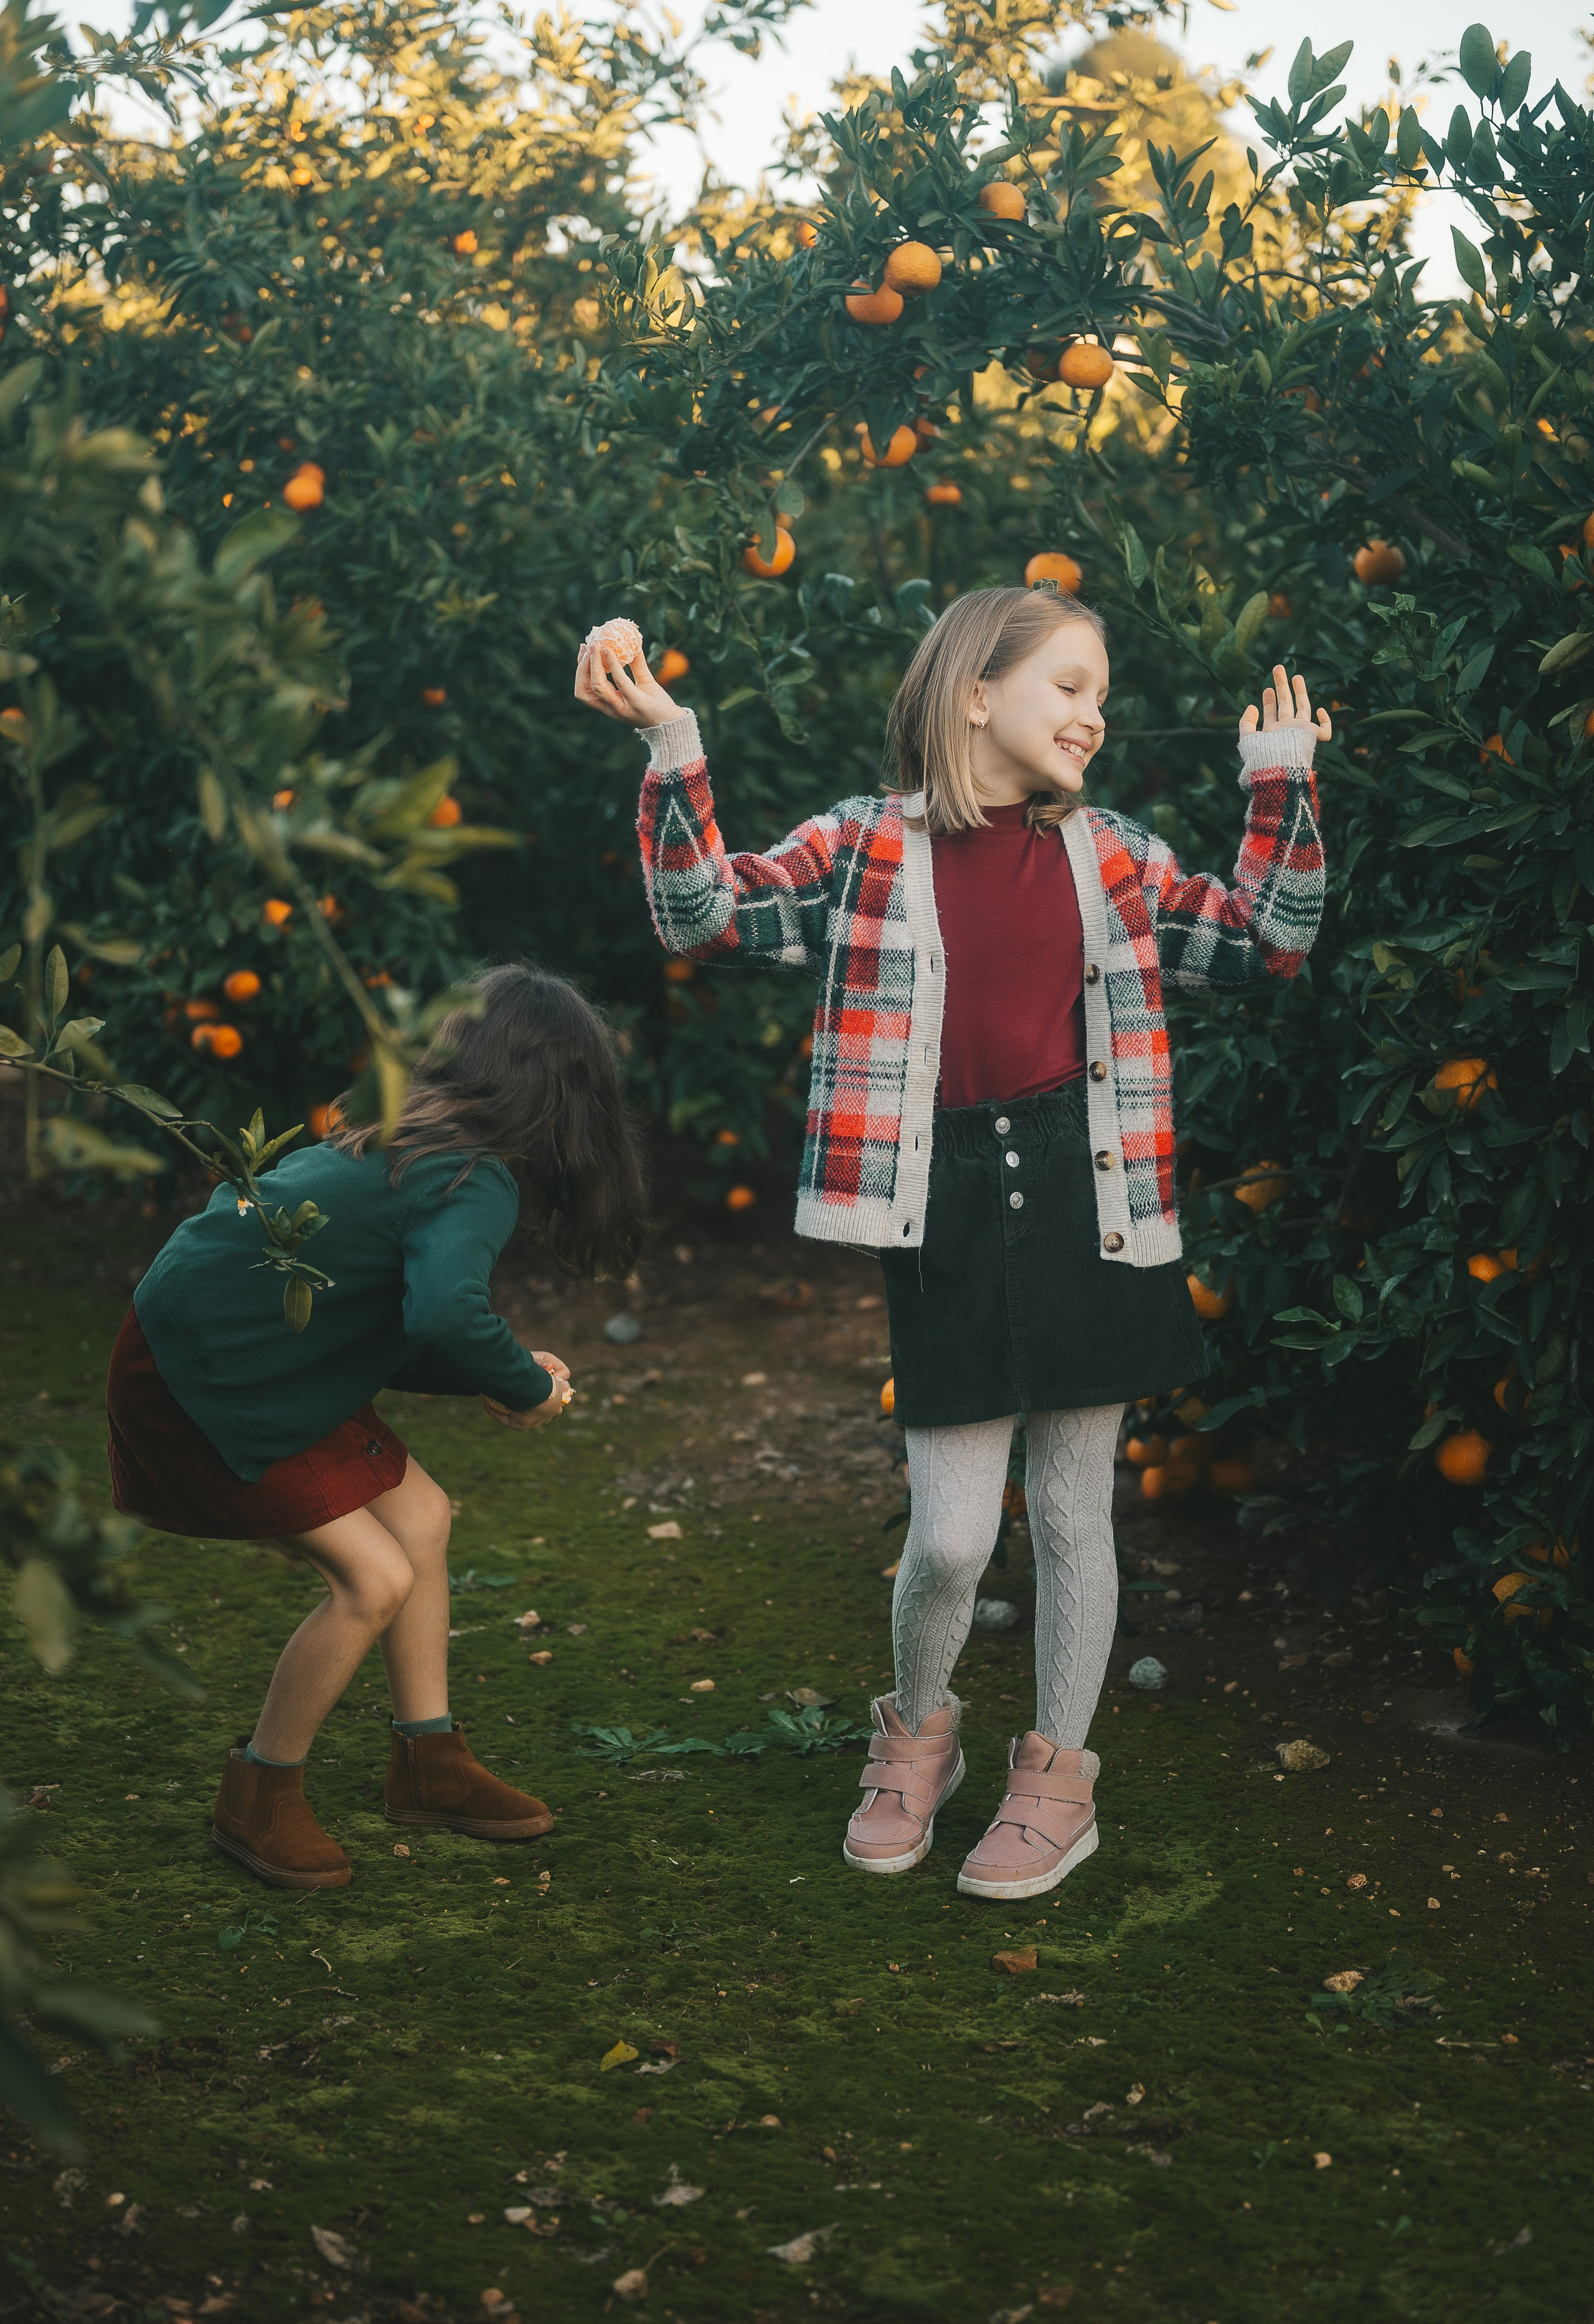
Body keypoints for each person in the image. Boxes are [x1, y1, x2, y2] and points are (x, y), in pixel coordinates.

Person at [576, 583, 1327, 1904]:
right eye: (1069, 687)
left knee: (1075, 1514)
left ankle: (1058, 1776)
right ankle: (918, 1732)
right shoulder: (865, 843)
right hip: (947, 1203)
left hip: (1095, 1191)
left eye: (1102, 696)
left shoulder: (1113, 854)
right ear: (976, 692)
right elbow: (703, 915)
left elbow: (1265, 944)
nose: (1094, 717)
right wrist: (670, 743)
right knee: (949, 1540)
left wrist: (1281, 782)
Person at [106, 962, 648, 1891]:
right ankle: (259, 1793)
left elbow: (380, 1323)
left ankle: (428, 1762)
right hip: (209, 1378)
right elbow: (444, 1313)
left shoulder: (402, 1140)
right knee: (374, 1579)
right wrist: (524, 1387)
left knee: (422, 1516)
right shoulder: (474, 1177)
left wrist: (496, 1376)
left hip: (246, 1354)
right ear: (567, 1099)